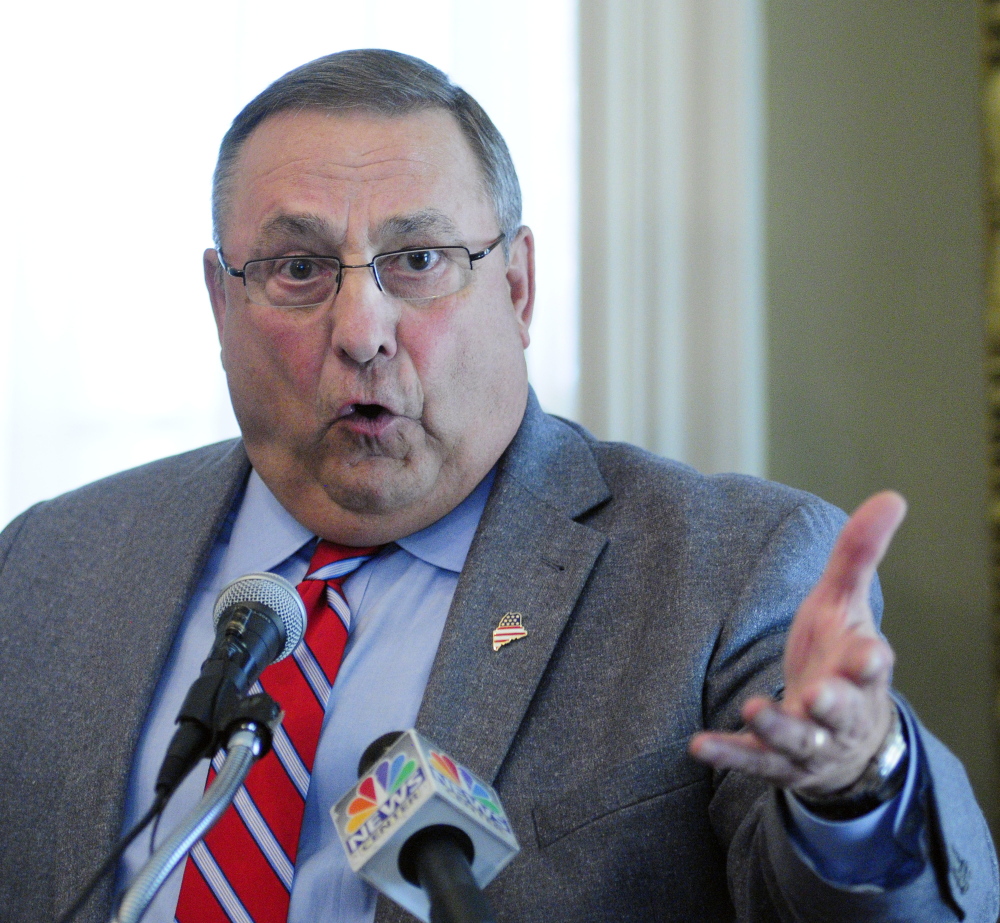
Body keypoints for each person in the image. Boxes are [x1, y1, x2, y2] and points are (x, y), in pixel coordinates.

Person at [0, 49, 995, 923]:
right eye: (299, 267)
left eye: (419, 259)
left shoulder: (726, 568)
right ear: (223, 303)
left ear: (517, 287)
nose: (361, 330)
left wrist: (856, 789)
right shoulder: (50, 563)